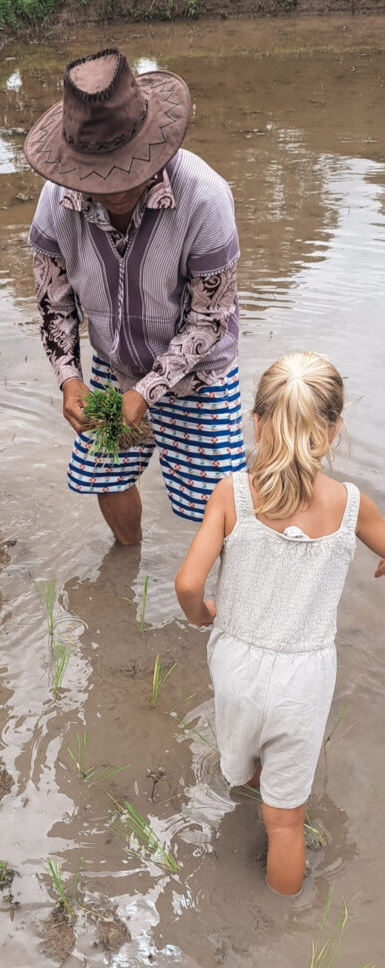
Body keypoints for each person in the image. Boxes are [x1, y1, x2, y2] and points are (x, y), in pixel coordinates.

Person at [174, 351, 385, 896]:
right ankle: (282, 920)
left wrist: (204, 616)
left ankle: (249, 781)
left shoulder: (232, 495)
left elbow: (188, 585)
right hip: (305, 680)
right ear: (333, 430)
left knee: (243, 763)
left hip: (238, 667)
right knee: (287, 822)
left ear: (258, 423)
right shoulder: (351, 505)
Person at [25, 48, 245, 544]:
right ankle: (128, 559)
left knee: (218, 505)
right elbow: (54, 304)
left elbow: (209, 321)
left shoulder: (204, 198)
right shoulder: (56, 201)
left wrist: (146, 393)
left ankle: (223, 589)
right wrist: (69, 379)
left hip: (196, 376)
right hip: (113, 363)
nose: (113, 189)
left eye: (125, 170)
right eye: (97, 175)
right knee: (107, 476)